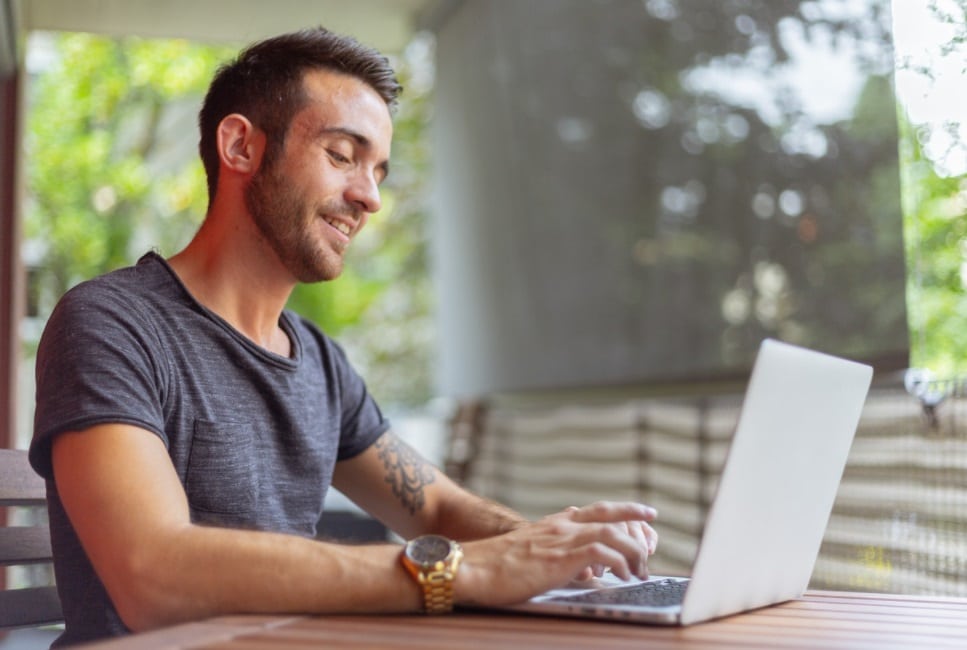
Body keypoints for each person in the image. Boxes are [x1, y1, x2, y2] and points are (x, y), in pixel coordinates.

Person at [28, 26, 658, 646]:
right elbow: (153, 575)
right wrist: (460, 571)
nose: (370, 197)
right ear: (241, 146)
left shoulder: (319, 363)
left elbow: (435, 509)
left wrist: (543, 545)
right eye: (341, 155)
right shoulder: (113, 325)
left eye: (379, 170)